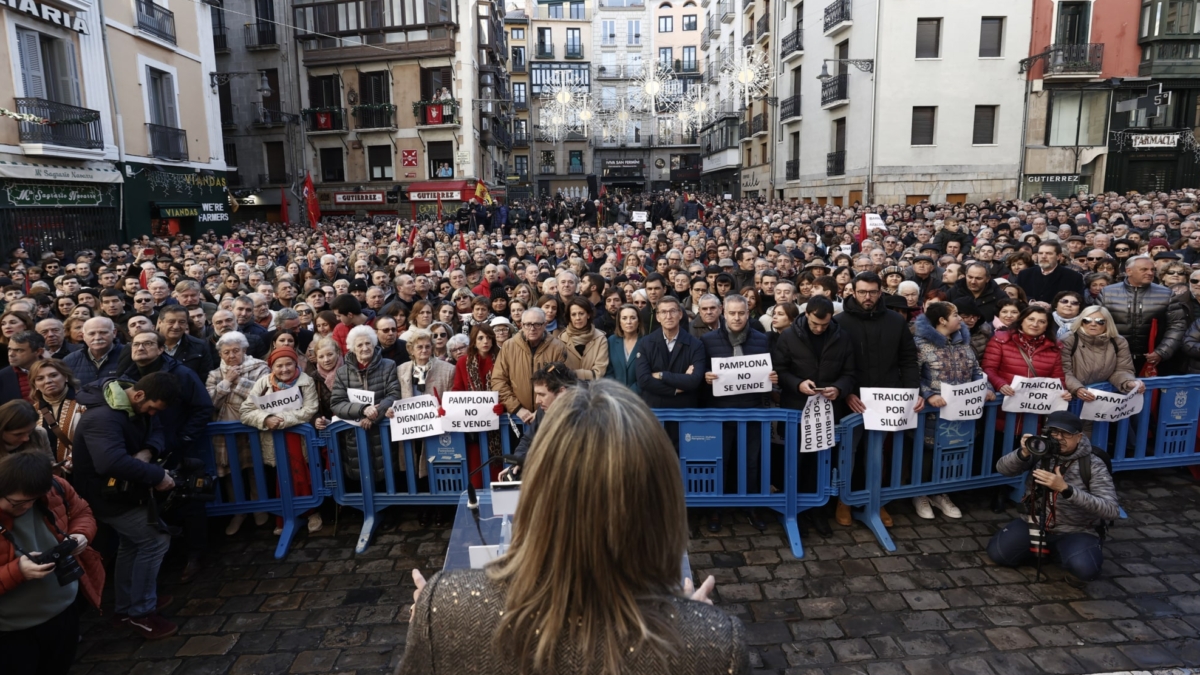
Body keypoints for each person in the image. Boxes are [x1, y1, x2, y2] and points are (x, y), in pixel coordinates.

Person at [396, 380, 746, 675]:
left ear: (535, 492)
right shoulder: (713, 641)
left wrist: (433, 620)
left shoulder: (444, 610)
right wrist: (691, 625)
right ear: (662, 500)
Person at [71, 372, 179, 640]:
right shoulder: (103, 418)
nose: (153, 414)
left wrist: (147, 452)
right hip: (104, 497)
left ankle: (127, 606)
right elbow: (110, 462)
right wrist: (157, 476)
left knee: (132, 545)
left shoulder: (131, 406)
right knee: (154, 540)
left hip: (119, 495)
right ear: (139, 395)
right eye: (152, 409)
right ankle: (141, 613)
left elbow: (156, 431)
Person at [0, 451, 103, 675]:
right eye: (17, 503)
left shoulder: (55, 487)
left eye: (34, 501)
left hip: (63, 612)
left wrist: (81, 534)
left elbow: (82, 511)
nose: (26, 507)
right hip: (12, 631)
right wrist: (17, 571)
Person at [986, 411, 1119, 582]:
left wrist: (1066, 489)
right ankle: (1045, 548)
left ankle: (1064, 550)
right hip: (1033, 522)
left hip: (1076, 529)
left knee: (1085, 569)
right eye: (1054, 432)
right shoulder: (1041, 449)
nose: (1058, 438)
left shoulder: (1093, 464)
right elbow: (1003, 469)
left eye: (1066, 434)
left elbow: (1111, 510)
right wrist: (1023, 453)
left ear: (1079, 437)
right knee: (999, 555)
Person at [834, 272, 921, 528]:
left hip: (887, 398)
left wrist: (912, 391)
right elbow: (835, 364)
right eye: (862, 292)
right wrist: (846, 392)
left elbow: (908, 359)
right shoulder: (840, 321)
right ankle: (844, 500)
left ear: (880, 292)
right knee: (848, 452)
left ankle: (876, 499)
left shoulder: (895, 320)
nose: (867, 297)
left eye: (872, 292)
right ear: (853, 292)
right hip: (852, 399)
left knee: (877, 453)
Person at [912, 301, 995, 520]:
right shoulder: (920, 344)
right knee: (926, 454)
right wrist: (929, 394)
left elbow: (977, 371)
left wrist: (986, 387)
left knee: (951, 454)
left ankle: (940, 492)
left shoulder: (963, 344)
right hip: (931, 414)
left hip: (961, 415)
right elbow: (913, 376)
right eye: (956, 314)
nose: (961, 318)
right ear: (942, 320)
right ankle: (919, 492)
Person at [701, 294, 775, 532]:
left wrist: (772, 378)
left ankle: (751, 506)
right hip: (719, 413)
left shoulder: (762, 340)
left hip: (751, 412)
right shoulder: (708, 340)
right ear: (724, 313)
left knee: (751, 462)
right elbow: (699, 372)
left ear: (748, 313)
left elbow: (767, 374)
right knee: (718, 462)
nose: (736, 317)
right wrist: (705, 377)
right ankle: (716, 509)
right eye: (732, 313)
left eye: (741, 313)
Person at [240, 347, 323, 535]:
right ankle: (286, 516)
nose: (284, 369)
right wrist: (265, 419)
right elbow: (245, 411)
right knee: (282, 478)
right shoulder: (262, 383)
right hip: (274, 440)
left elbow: (310, 409)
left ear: (296, 364)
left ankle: (312, 513)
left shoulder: (305, 381)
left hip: (300, 440)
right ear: (272, 367)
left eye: (289, 364)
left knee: (304, 474)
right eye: (279, 365)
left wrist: (284, 420)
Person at [205, 332, 269, 535]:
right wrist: (225, 382)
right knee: (230, 471)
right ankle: (238, 511)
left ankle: (259, 506)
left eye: (236, 351)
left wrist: (236, 382)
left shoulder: (260, 367)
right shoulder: (214, 374)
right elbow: (209, 403)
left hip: (252, 428)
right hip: (224, 432)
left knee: (254, 468)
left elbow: (262, 396)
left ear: (245, 350)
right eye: (226, 352)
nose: (231, 355)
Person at [330, 325, 401, 486]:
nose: (364, 348)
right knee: (360, 476)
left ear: (374, 344)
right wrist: (362, 410)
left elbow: (394, 394)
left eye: (368, 343)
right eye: (359, 345)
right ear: (352, 348)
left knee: (387, 475)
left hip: (382, 431)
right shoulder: (342, 372)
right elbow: (336, 403)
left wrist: (374, 414)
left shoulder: (388, 365)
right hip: (354, 434)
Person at [1099, 255, 1185, 374]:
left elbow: (1177, 326)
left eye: (1152, 270)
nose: (1150, 273)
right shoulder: (1107, 292)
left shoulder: (1166, 294)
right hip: (1114, 359)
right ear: (1128, 271)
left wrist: (1162, 352)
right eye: (1144, 269)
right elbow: (1096, 323)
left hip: (1154, 361)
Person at [492, 308, 579, 424]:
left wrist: (540, 413)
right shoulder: (509, 347)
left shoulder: (558, 348)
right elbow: (498, 380)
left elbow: (566, 383)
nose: (532, 328)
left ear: (545, 325)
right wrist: (517, 409)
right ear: (522, 325)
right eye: (528, 324)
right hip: (517, 418)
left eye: (537, 324)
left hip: (549, 418)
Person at [635, 296, 707, 409]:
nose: (668, 316)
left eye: (672, 311)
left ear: (680, 314)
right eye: (663, 312)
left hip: (684, 410)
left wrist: (661, 375)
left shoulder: (695, 344)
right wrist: (675, 389)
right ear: (658, 317)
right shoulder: (646, 343)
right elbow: (644, 380)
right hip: (654, 410)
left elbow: (694, 380)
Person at [1062, 306, 1142, 401]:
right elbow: (1063, 371)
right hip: (1072, 398)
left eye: (1100, 321)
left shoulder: (1118, 341)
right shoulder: (1068, 339)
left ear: (1107, 323)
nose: (1093, 324)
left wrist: (1129, 382)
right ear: (1081, 322)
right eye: (1087, 320)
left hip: (1102, 399)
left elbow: (1122, 369)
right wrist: (1078, 389)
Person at [29, 360, 83, 477]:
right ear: (35, 385)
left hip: (81, 474)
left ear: (66, 377)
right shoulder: (32, 412)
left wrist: (64, 468)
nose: (48, 381)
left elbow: (90, 442)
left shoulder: (84, 404)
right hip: (46, 478)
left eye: (53, 375)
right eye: (40, 378)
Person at [556, 296, 609, 381]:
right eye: (573, 314)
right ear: (569, 317)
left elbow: (599, 373)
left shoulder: (600, 338)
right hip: (569, 390)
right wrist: (588, 374)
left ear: (588, 315)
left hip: (592, 390)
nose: (578, 318)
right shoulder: (562, 338)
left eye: (581, 313)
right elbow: (560, 373)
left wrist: (572, 373)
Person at [1016, 241, 1085, 304]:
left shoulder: (1073, 277)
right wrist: (1031, 301)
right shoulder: (1024, 274)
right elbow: (1016, 295)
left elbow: (1078, 300)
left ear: (1058, 256)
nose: (1043, 256)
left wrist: (1051, 306)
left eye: (1048, 253)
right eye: (1040, 253)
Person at [63, 317, 122, 386]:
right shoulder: (70, 360)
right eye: (91, 334)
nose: (97, 337)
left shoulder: (128, 355)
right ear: (83, 336)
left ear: (114, 333)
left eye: (103, 332)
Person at [0, 331, 44, 404]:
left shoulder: (57, 370)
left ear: (38, 351)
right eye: (9, 349)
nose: (11, 354)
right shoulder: (2, 377)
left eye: (18, 350)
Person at [605, 304, 642, 392]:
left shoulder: (647, 342)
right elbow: (608, 370)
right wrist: (616, 391)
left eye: (633, 318)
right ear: (619, 322)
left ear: (639, 321)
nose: (628, 322)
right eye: (624, 318)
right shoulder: (611, 341)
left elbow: (646, 374)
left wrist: (630, 393)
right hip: (615, 395)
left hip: (639, 396)